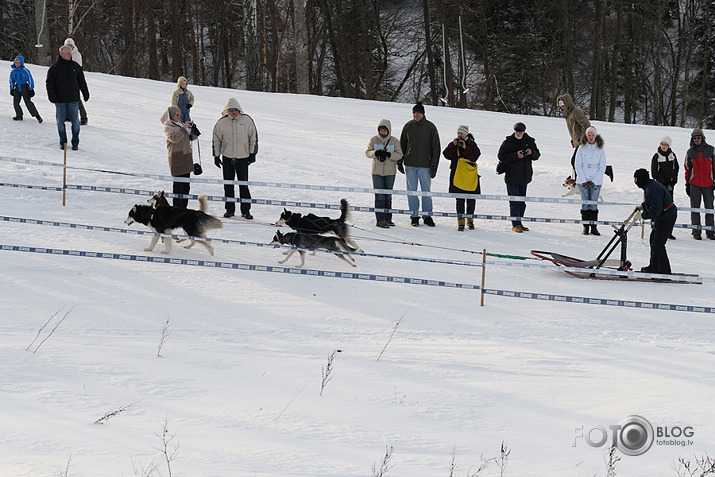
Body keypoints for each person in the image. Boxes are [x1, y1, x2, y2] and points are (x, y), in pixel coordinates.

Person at [212, 98, 258, 219]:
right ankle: (230, 209)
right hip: (227, 158)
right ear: (227, 111)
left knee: (243, 185)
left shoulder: (247, 120)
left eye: (235, 110)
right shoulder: (221, 123)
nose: (233, 112)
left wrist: (252, 153)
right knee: (228, 185)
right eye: (231, 110)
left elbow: (253, 137)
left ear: (239, 110)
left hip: (243, 158)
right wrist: (216, 156)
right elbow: (216, 140)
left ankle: (246, 210)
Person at [399, 101, 441, 227]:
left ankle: (427, 216)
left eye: (417, 112)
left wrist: (434, 165)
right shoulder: (408, 126)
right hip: (410, 164)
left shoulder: (430, 127)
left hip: (425, 166)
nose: (415, 115)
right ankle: (414, 216)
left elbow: (436, 148)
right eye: (414, 112)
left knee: (426, 192)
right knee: (412, 191)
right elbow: (402, 145)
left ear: (423, 113)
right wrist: (399, 161)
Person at [496, 122, 540, 233]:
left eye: (520, 131)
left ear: (524, 131)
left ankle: (519, 222)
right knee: (514, 202)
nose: (518, 133)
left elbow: (537, 155)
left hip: (524, 177)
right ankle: (515, 224)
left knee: (522, 202)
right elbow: (501, 156)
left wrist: (531, 152)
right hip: (512, 177)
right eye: (516, 131)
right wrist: (516, 155)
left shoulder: (529, 141)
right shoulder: (508, 142)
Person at [46, 45, 89, 151]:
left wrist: (85, 93)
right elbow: (49, 83)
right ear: (62, 54)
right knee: (60, 122)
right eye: (68, 53)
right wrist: (52, 96)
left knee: (75, 122)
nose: (70, 55)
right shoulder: (54, 68)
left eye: (70, 53)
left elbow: (81, 81)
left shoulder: (75, 66)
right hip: (60, 100)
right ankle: (63, 142)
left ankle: (75, 143)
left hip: (74, 99)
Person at [634, 168, 677, 274]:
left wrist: (642, 215)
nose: (635, 182)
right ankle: (654, 266)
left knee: (658, 244)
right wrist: (642, 206)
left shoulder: (651, 189)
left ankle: (664, 271)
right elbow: (653, 203)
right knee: (653, 240)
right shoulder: (649, 185)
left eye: (635, 179)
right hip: (663, 215)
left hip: (667, 216)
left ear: (640, 179)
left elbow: (655, 210)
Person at [442, 124, 481, 231]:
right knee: (459, 200)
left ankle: (470, 220)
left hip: (470, 177)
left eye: (462, 133)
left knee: (471, 200)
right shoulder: (454, 144)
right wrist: (453, 146)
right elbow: (446, 155)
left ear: (466, 134)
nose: (460, 135)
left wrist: (465, 148)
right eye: (458, 133)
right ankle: (461, 222)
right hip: (458, 176)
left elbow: (475, 157)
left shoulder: (472, 144)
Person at [365, 119, 403, 228]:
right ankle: (380, 220)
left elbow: (399, 155)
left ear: (388, 130)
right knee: (379, 196)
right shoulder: (373, 140)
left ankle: (388, 218)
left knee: (388, 196)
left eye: (385, 130)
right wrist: (376, 153)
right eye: (381, 130)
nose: (383, 132)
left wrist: (388, 155)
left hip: (390, 172)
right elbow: (367, 152)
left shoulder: (394, 141)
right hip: (377, 171)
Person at [161, 105, 198, 208]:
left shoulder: (180, 124)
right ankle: (177, 209)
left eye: (180, 115)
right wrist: (184, 128)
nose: (179, 117)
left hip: (186, 158)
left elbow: (191, 138)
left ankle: (184, 208)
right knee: (178, 187)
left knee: (186, 186)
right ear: (171, 116)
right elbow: (174, 139)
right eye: (177, 115)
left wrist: (193, 131)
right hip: (177, 159)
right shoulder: (168, 127)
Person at [574, 126, 606, 235]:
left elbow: (602, 167)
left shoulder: (600, 149)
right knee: (585, 203)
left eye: (593, 135)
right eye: (589, 135)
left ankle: (594, 226)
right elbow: (577, 165)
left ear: (596, 136)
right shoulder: (581, 148)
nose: (591, 137)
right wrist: (583, 180)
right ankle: (585, 226)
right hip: (583, 180)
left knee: (593, 204)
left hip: (596, 181)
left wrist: (594, 181)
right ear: (586, 136)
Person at [684, 128, 715, 240]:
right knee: (695, 208)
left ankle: (710, 231)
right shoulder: (690, 152)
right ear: (692, 139)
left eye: (699, 137)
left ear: (702, 138)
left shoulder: (711, 150)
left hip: (708, 184)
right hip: (695, 184)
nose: (697, 139)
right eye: (695, 138)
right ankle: (696, 231)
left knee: (709, 208)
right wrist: (687, 183)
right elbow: (687, 168)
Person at [651, 136, 679, 239]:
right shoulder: (656, 156)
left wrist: (672, 183)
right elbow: (655, 173)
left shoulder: (673, 155)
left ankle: (668, 231)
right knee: (659, 207)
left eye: (666, 144)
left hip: (670, 187)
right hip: (660, 187)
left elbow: (676, 170)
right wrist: (663, 184)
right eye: (662, 144)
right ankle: (656, 229)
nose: (664, 146)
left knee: (669, 208)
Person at [9, 56, 42, 123]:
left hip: (25, 87)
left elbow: (30, 80)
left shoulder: (25, 71)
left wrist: (31, 89)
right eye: (16, 62)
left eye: (19, 63)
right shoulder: (13, 71)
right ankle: (19, 115)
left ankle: (37, 116)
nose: (17, 64)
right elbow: (11, 81)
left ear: (22, 63)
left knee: (28, 102)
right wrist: (11, 89)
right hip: (17, 88)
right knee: (16, 103)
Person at [63, 38, 88, 125]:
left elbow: (78, 68)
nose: (69, 47)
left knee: (76, 99)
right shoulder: (64, 54)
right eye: (67, 45)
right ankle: (67, 116)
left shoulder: (77, 55)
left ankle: (84, 117)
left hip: (75, 79)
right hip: (66, 79)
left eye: (70, 45)